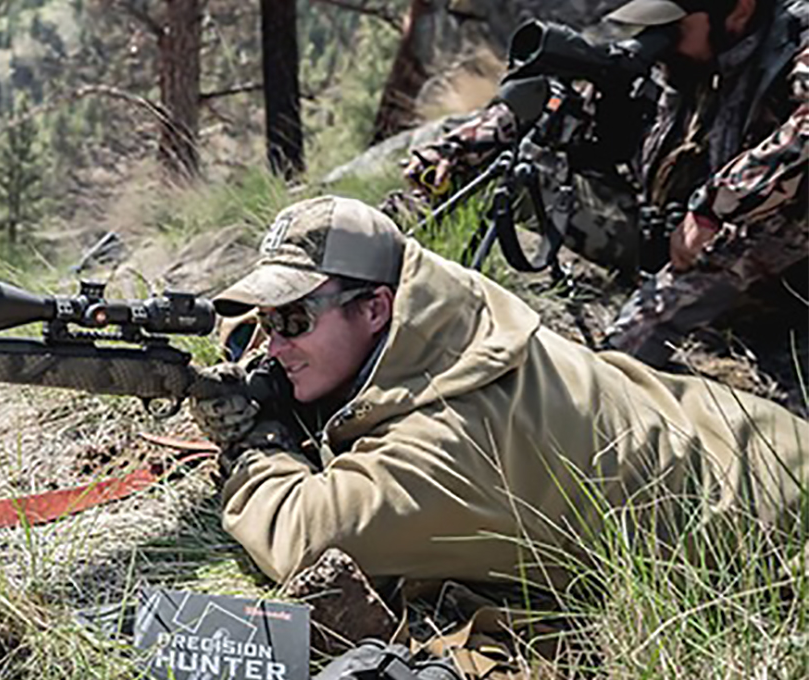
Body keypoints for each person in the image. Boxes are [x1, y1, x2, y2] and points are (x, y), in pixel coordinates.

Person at [189, 195, 808, 587]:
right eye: (269, 322)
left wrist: (258, 448)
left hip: (770, 525)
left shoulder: (451, 439)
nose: (273, 344)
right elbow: (311, 337)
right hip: (738, 430)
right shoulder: (448, 310)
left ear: (376, 309)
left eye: (292, 321)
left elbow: (310, 534)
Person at [403, 0, 808, 396]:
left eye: (672, 27)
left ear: (738, 11)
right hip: (662, 234)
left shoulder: (794, 42)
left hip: (764, 260)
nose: (658, 41)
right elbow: (554, 99)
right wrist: (458, 147)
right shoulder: (691, 60)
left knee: (605, 371)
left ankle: (599, 384)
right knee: (499, 176)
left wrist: (713, 210)